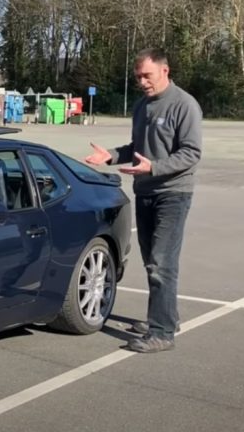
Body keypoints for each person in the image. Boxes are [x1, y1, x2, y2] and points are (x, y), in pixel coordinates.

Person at [85, 48, 202, 353]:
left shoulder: (184, 105)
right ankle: (164, 318)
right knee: (152, 261)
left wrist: (155, 167)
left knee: (162, 263)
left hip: (173, 193)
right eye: (138, 76)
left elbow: (191, 153)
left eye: (146, 75)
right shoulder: (141, 106)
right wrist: (111, 155)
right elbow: (137, 147)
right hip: (145, 192)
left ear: (165, 70)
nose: (142, 82)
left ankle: (162, 333)